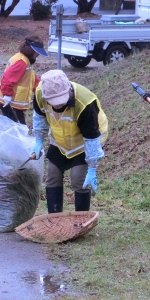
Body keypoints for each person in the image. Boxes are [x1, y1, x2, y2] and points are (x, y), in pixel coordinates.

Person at [30, 70, 108, 214]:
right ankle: (54, 218)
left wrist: (92, 168)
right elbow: (39, 116)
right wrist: (38, 140)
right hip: (60, 139)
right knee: (53, 175)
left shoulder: (84, 103)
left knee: (79, 179)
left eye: (61, 101)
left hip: (86, 142)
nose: (58, 106)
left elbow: (91, 137)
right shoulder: (40, 93)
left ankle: (81, 219)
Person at [0, 37, 43, 124]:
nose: (38, 55)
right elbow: (8, 78)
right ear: (31, 50)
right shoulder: (22, 62)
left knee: (18, 127)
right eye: (37, 52)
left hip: (14, 102)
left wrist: (42, 89)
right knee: (17, 128)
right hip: (9, 102)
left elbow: (31, 78)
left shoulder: (26, 60)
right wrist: (7, 95)